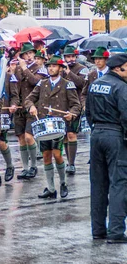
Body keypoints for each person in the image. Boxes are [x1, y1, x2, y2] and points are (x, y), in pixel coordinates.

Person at [25, 56, 81, 199]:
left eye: (54, 66)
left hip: (58, 125)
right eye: (49, 66)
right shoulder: (42, 83)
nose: (51, 68)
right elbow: (29, 98)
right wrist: (31, 106)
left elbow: (76, 105)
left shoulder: (67, 84)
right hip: (44, 125)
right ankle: (50, 188)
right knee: (46, 156)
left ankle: (62, 183)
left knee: (57, 154)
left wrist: (71, 114)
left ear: (61, 68)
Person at [86, 53, 127, 243]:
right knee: (118, 183)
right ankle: (116, 232)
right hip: (115, 136)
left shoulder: (95, 84)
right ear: (120, 68)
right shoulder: (121, 87)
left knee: (98, 185)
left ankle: (98, 231)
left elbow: (88, 112)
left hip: (96, 135)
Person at [14, 42, 48, 180]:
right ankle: (25, 167)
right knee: (21, 138)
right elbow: (14, 86)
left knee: (29, 137)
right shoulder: (18, 68)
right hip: (20, 107)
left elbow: (35, 81)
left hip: (34, 107)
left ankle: (33, 165)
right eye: (25, 54)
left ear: (34, 54)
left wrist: (24, 68)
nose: (28, 56)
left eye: (30, 53)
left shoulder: (41, 68)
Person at [61, 45, 89, 175]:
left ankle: (71, 163)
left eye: (72, 56)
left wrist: (69, 73)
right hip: (62, 106)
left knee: (72, 134)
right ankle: (68, 160)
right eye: (68, 56)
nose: (70, 59)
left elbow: (82, 84)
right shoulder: (60, 69)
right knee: (65, 136)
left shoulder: (82, 69)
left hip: (75, 105)